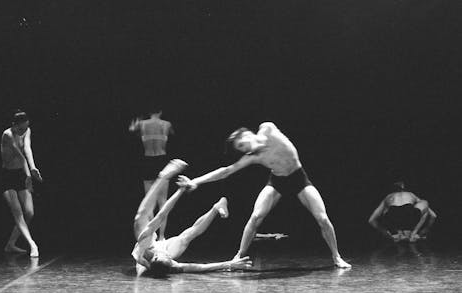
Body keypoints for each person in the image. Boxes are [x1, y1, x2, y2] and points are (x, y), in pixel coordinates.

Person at [178, 122, 351, 268]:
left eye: (241, 144)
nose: (244, 149)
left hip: (299, 178)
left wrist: (259, 142)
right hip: (277, 181)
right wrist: (195, 181)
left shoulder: (267, 129)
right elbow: (226, 171)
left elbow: (267, 135)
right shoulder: (252, 156)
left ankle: (336, 257)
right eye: (240, 149)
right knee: (255, 217)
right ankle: (239, 256)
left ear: (247, 134)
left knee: (322, 218)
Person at [132, 159, 252, 276]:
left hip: (147, 246)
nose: (169, 256)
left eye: (167, 256)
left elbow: (161, 215)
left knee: (140, 218)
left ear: (156, 256)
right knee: (186, 237)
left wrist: (178, 188)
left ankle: (162, 177)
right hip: (157, 253)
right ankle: (216, 207)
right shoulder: (171, 264)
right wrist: (230, 264)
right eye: (169, 258)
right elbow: (201, 267)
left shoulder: (143, 246)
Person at [0, 110, 43, 257]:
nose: (23, 131)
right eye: (21, 128)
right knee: (18, 213)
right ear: (14, 125)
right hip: (7, 176)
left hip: (20, 174)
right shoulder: (8, 135)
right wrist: (29, 175)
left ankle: (10, 244)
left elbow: (27, 149)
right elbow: (20, 155)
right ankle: (33, 244)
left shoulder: (27, 131)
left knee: (29, 212)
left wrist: (33, 168)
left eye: (26, 127)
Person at [129, 108, 174, 241]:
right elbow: (171, 134)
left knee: (149, 203)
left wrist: (134, 127)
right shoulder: (166, 124)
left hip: (147, 161)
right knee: (163, 202)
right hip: (161, 160)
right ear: (160, 111)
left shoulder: (141, 124)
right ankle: (161, 236)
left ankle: (151, 235)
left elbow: (132, 130)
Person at [368, 181, 437, 242]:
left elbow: (371, 220)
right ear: (403, 188)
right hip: (408, 213)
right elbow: (433, 216)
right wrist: (423, 231)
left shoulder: (388, 197)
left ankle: (398, 232)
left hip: (393, 217)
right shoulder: (410, 194)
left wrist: (387, 235)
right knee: (424, 202)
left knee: (386, 210)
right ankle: (412, 234)